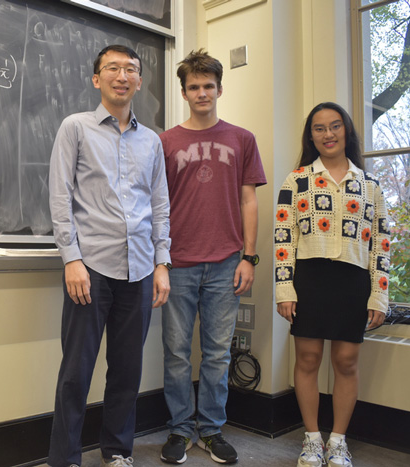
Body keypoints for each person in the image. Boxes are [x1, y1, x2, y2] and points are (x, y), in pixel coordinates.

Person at [47, 44, 172, 467]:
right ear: (97, 78)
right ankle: (64, 459)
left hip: (139, 268)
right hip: (91, 269)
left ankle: (117, 451)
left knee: (126, 372)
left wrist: (161, 263)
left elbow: (159, 206)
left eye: (131, 69)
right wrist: (71, 259)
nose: (122, 76)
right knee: (76, 373)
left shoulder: (152, 141)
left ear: (139, 80)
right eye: (113, 68)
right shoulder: (75, 128)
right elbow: (60, 197)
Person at [158, 49, 267, 465]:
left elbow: (249, 201)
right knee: (177, 352)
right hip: (178, 263)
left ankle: (212, 429)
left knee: (219, 352)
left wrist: (249, 257)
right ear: (184, 92)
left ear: (220, 88)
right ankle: (180, 429)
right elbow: (158, 205)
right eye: (194, 87)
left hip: (226, 263)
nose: (202, 92)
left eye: (208, 86)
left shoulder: (241, 139)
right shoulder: (166, 142)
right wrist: (160, 261)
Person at [274, 102, 391, 467]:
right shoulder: (297, 181)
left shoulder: (369, 186)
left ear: (347, 132)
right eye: (320, 128)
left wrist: (379, 295)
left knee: (346, 362)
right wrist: (284, 288)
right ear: (311, 136)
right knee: (307, 359)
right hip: (309, 279)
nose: (328, 134)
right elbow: (282, 237)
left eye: (335, 126)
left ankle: (338, 442)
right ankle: (311, 439)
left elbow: (382, 244)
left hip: (353, 282)